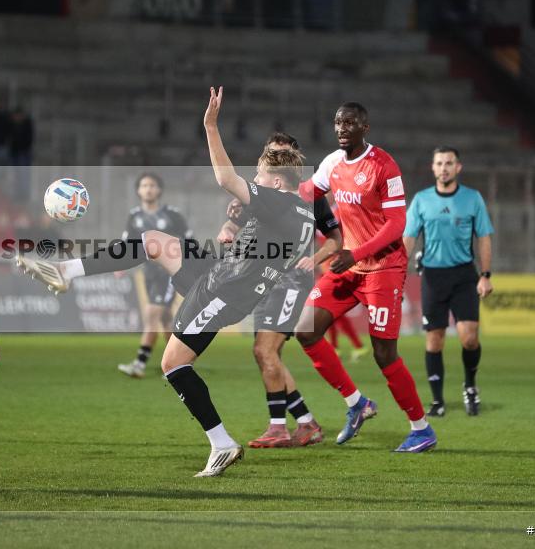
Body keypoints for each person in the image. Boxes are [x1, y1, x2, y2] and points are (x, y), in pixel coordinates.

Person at [20, 87, 317, 476]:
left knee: (173, 363)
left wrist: (211, 126)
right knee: (154, 242)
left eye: (260, 176)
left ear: (277, 183)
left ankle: (221, 443)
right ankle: (66, 271)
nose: (254, 182)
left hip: (223, 291)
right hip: (225, 274)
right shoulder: (302, 212)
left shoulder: (278, 201)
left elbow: (226, 178)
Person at [295, 102, 437, 453]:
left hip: (383, 268)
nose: (342, 128)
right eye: (338, 122)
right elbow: (305, 196)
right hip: (349, 268)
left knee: (384, 353)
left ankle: (421, 428)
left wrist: (354, 253)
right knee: (305, 329)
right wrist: (261, 197)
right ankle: (357, 403)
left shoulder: (383, 166)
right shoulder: (332, 163)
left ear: (365, 127)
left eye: (350, 122)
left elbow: (396, 225)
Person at [215, 133, 342, 449]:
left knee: (265, 351)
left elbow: (337, 238)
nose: (276, 160)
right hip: (265, 280)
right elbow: (237, 224)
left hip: (290, 281)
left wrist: (315, 258)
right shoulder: (260, 193)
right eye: (272, 154)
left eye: (283, 155)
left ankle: (280, 427)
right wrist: (228, 230)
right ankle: (305, 422)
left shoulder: (311, 195)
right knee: (267, 355)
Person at [403, 146, 494, 417]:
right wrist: (398, 271)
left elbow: (484, 237)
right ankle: (437, 401)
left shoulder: (472, 198)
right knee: (435, 340)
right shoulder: (421, 200)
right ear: (433, 168)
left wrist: (486, 275)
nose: (444, 168)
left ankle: (470, 385)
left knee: (469, 338)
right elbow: (408, 238)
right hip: (433, 276)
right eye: (439, 163)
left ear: (458, 167)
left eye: (449, 163)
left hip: (464, 275)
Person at [117, 173, 191, 379]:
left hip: (168, 273)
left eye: (152, 185)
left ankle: (139, 365)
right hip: (148, 272)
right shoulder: (134, 216)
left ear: (159, 190)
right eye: (144, 185)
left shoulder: (172, 215)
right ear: (138, 190)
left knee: (151, 315)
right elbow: (127, 244)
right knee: (166, 319)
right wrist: (119, 264)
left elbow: (189, 242)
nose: (148, 189)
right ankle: (177, 364)